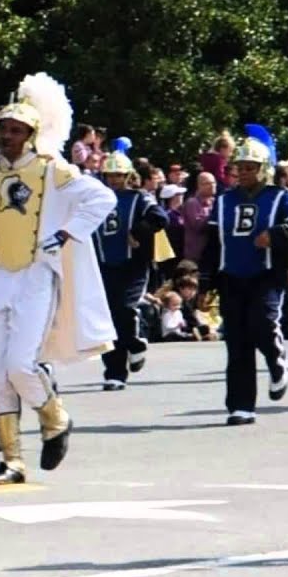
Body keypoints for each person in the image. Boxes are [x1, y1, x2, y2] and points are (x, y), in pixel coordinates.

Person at [0, 73, 116, 486]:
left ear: (32, 135)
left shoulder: (52, 170)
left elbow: (103, 198)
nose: (8, 137)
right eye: (4, 130)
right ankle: (11, 460)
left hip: (35, 276)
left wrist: (65, 233)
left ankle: (54, 417)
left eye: (17, 131)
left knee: (19, 363)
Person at [199, 125, 288, 426]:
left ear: (263, 169)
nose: (245, 172)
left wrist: (276, 234)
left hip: (266, 274)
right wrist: (205, 282)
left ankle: (276, 360)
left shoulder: (280, 197)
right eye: (241, 167)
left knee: (263, 323)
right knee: (236, 340)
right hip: (231, 276)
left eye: (251, 167)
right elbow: (213, 244)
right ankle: (240, 406)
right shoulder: (224, 201)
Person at [93, 140, 167, 390]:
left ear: (128, 176)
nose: (114, 180)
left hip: (133, 265)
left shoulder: (139, 198)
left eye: (119, 175)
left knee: (125, 308)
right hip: (104, 264)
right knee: (106, 318)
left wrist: (139, 231)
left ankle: (135, 343)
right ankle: (114, 372)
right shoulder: (96, 198)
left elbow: (160, 218)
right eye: (110, 175)